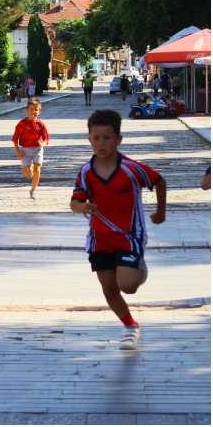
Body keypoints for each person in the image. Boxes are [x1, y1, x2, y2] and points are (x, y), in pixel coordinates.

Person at [70, 109, 166, 350]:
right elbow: (74, 202)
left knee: (128, 285)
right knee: (110, 289)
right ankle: (130, 326)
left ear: (118, 139)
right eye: (96, 138)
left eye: (107, 138)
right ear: (89, 139)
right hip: (99, 238)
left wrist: (160, 213)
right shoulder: (85, 172)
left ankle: (138, 267)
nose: (101, 143)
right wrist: (82, 206)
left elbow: (159, 181)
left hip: (128, 235)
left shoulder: (131, 169)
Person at [12, 98, 50, 200]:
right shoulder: (22, 123)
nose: (34, 112)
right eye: (31, 109)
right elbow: (15, 138)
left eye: (36, 109)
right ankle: (30, 172)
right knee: (26, 172)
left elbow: (46, 137)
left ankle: (33, 190)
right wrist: (18, 151)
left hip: (37, 149)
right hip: (26, 150)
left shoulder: (40, 124)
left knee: (38, 169)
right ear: (27, 110)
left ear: (39, 111)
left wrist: (43, 143)